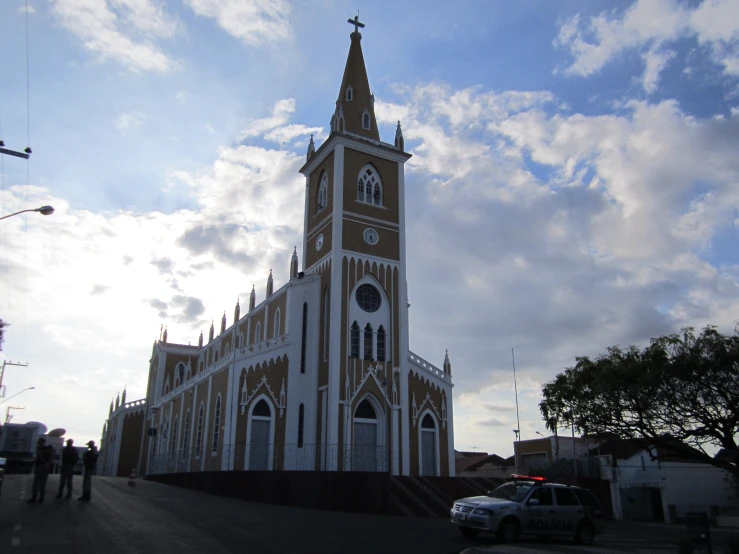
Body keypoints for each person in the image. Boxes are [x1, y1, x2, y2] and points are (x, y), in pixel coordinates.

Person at [26, 437, 54, 503]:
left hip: (40, 466)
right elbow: (52, 457)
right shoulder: (50, 448)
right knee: (43, 483)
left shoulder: (39, 447)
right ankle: (41, 498)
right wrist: (48, 464)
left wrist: (44, 463)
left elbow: (40, 455)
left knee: (36, 482)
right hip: (46, 467)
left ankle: (34, 498)